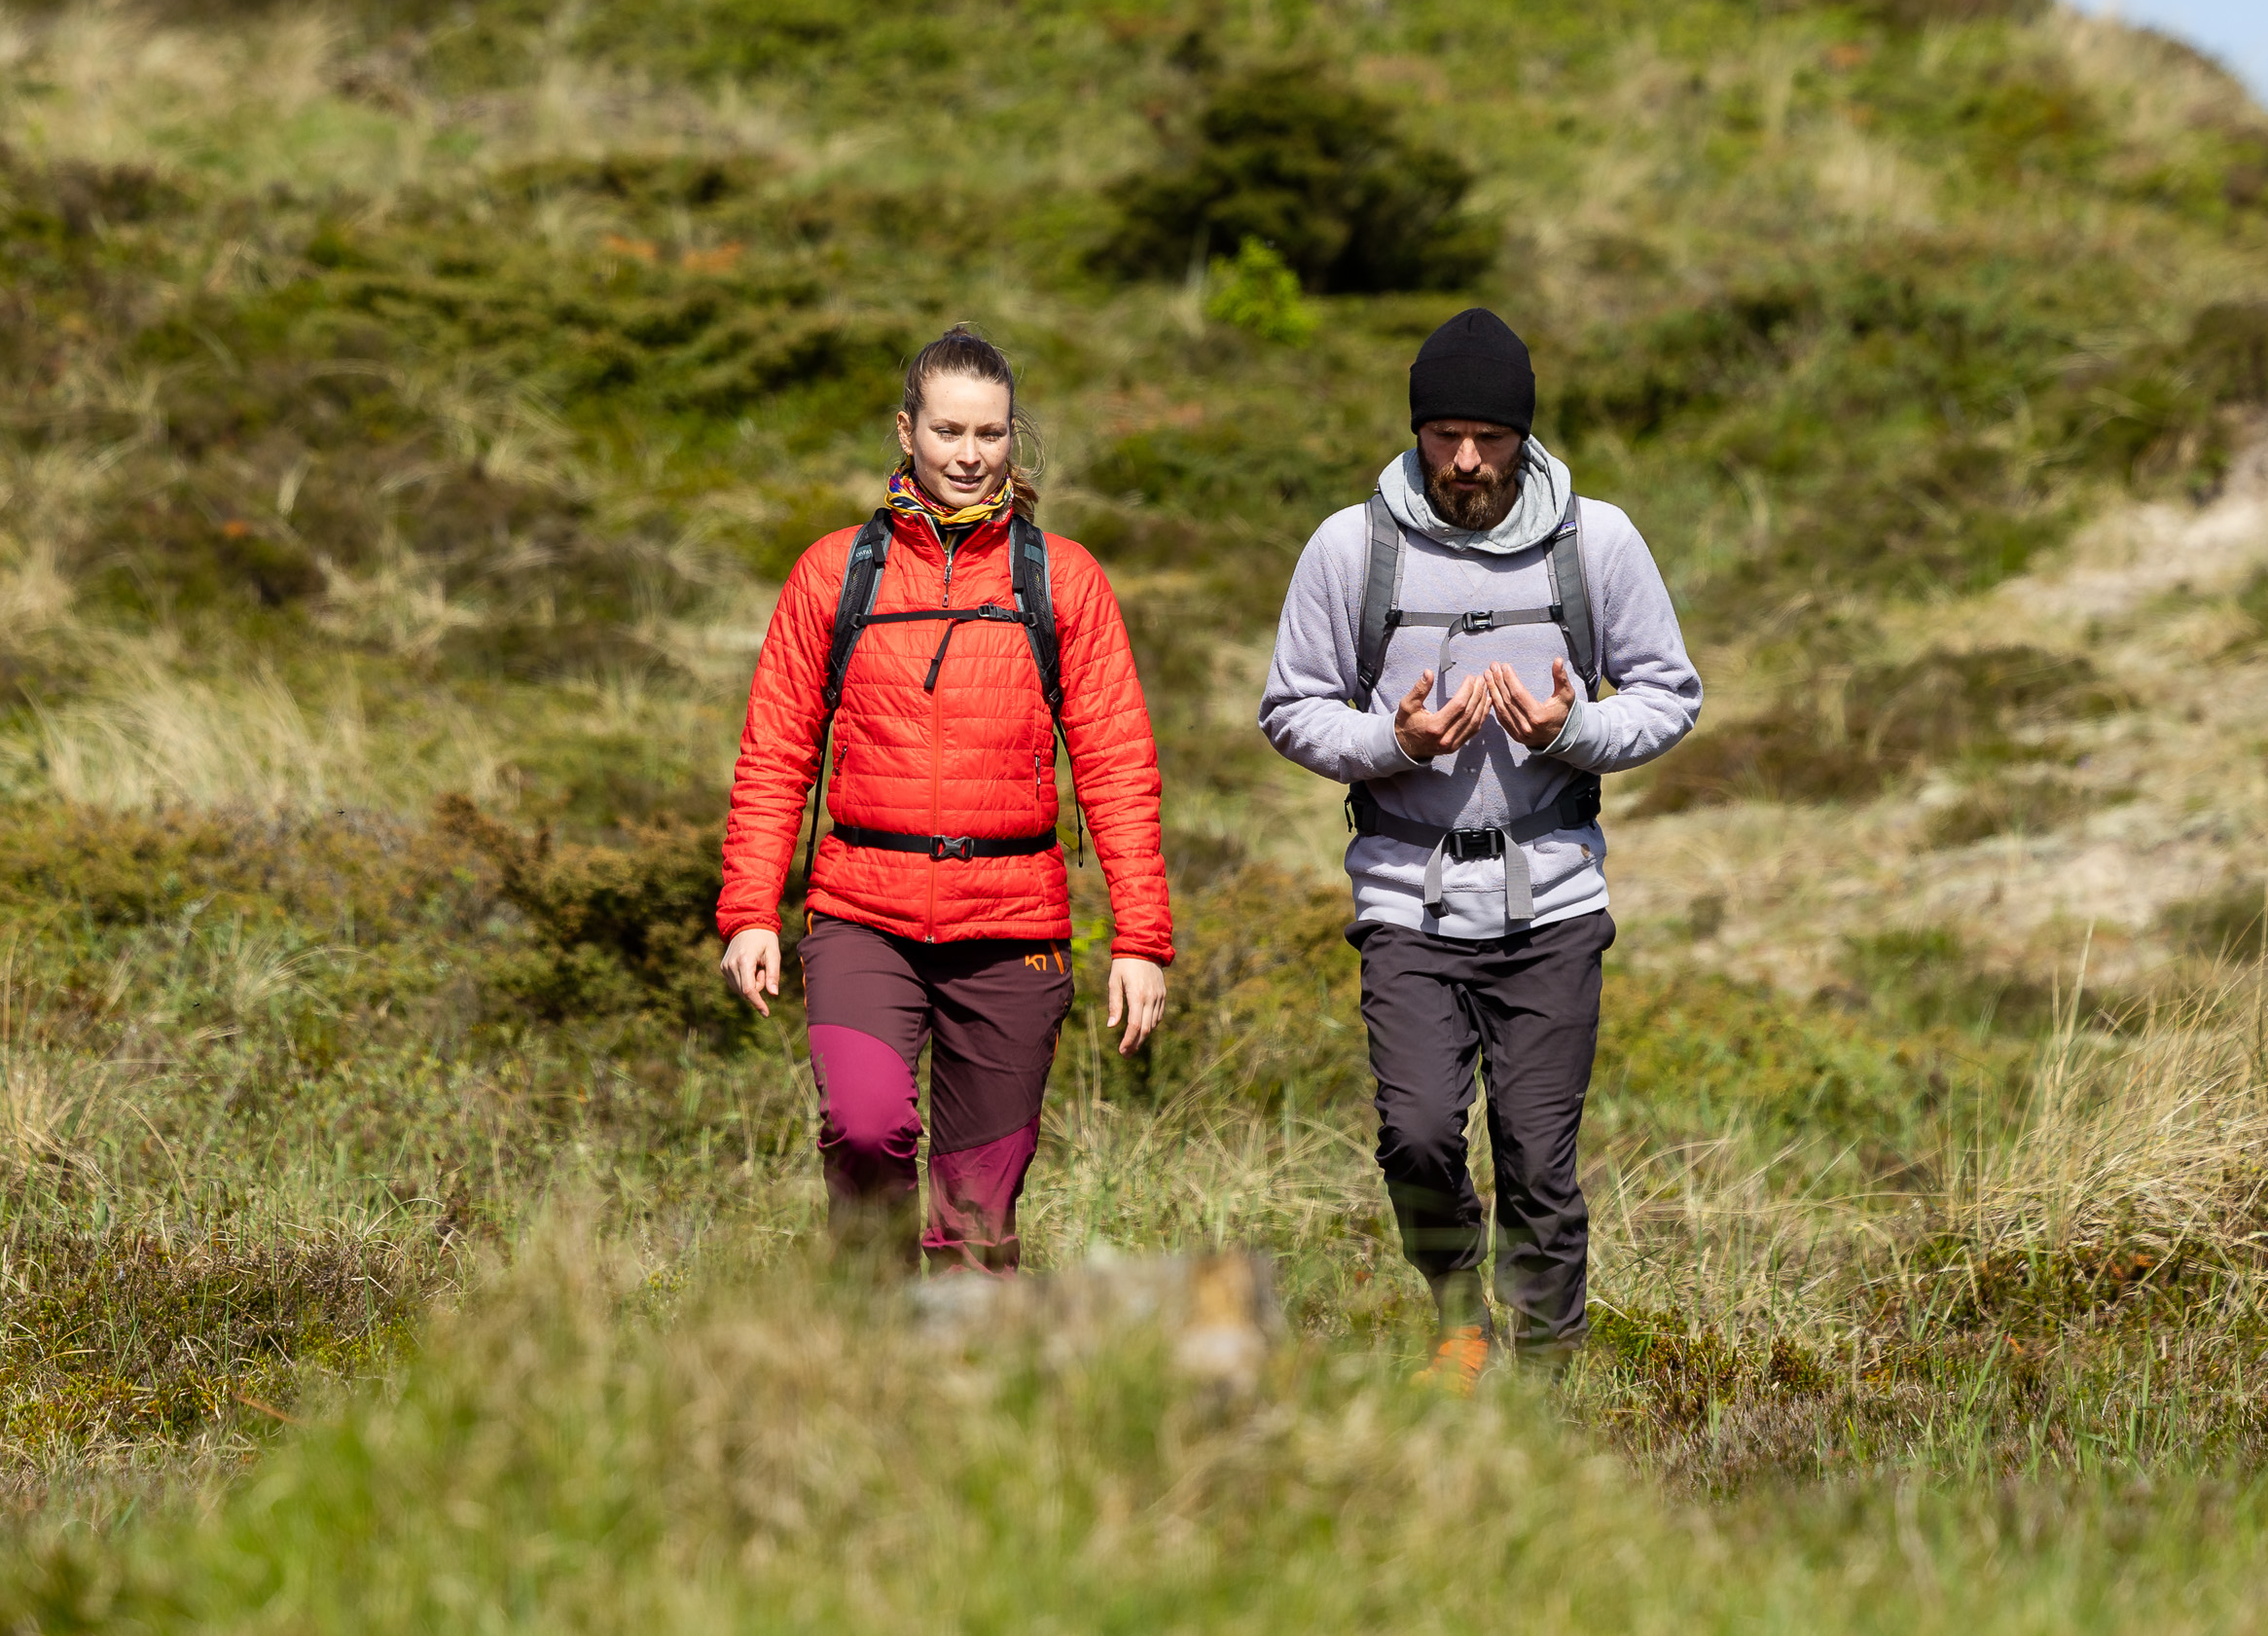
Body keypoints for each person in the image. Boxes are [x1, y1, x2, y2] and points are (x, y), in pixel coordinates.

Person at [1257, 307, 1700, 1376]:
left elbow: (1669, 695)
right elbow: (1290, 708)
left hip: (1553, 903)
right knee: (1414, 1134)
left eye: (1489, 440)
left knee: (1537, 1159)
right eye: (1444, 434)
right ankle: (1460, 1320)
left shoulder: (1600, 542)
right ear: (1416, 429)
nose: (1464, 461)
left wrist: (1575, 730)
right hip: (1405, 901)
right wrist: (1389, 741)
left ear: (1524, 436)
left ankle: (1550, 1378)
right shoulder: (1348, 548)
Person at [716, 324, 1171, 1274]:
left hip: (1014, 933)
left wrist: (1139, 940)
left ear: (1014, 439)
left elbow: (1117, 766)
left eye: (991, 434)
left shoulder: (1064, 581)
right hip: (860, 913)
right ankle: (867, 1338)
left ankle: (958, 1398)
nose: (969, 455)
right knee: (864, 1128)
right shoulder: (835, 573)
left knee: (975, 1219)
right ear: (905, 431)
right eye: (948, 431)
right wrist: (749, 910)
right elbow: (774, 753)